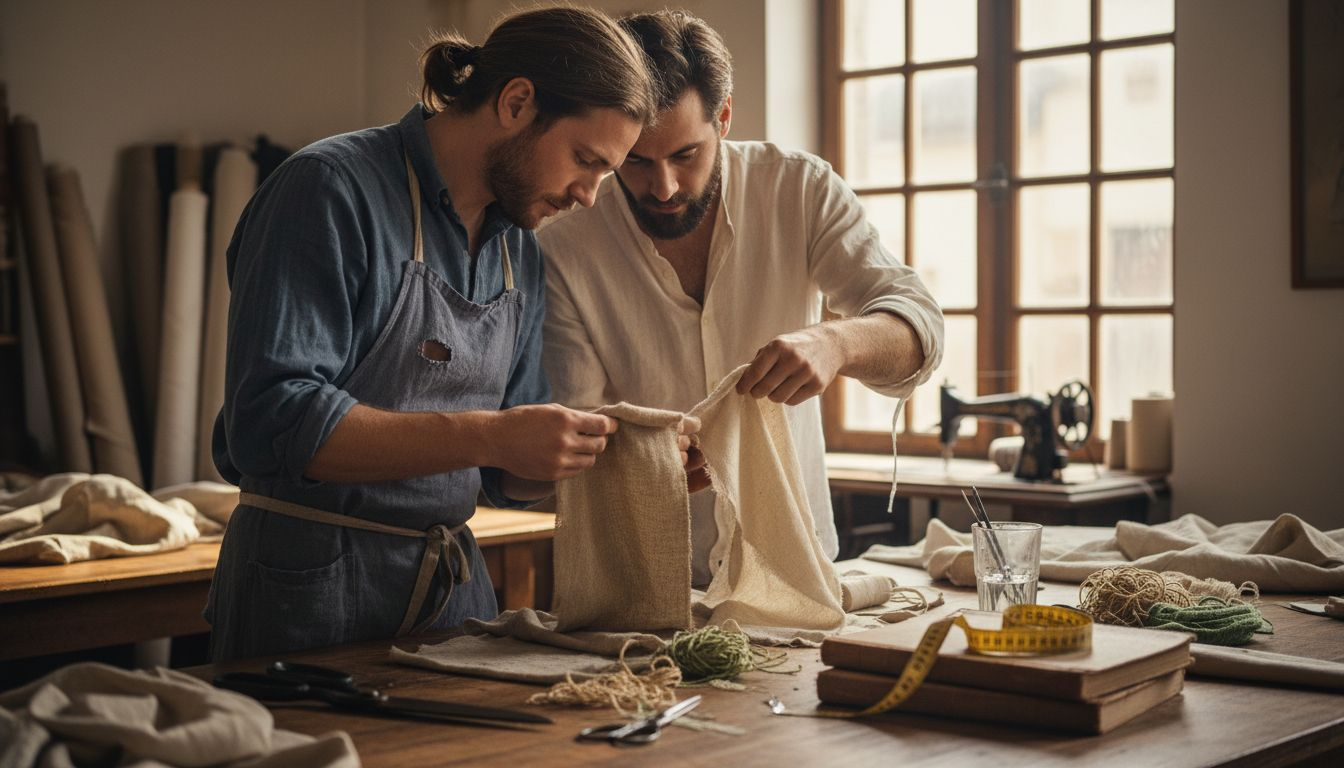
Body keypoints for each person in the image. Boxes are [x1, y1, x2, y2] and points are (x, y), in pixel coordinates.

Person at [205, 6, 663, 662]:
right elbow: (271, 421)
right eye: (585, 160)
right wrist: (494, 435)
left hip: (452, 600)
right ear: (516, 101)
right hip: (308, 591)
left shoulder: (520, 250)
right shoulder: (330, 190)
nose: (589, 196)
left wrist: (619, 465)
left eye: (605, 174)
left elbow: (507, 473)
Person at [539, 10, 944, 588]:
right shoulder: (565, 240)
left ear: (723, 118)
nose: (664, 187)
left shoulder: (799, 189)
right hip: (645, 583)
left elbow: (921, 328)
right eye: (636, 160)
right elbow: (579, 426)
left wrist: (835, 343)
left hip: (797, 576)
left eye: (684, 154)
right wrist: (647, 461)